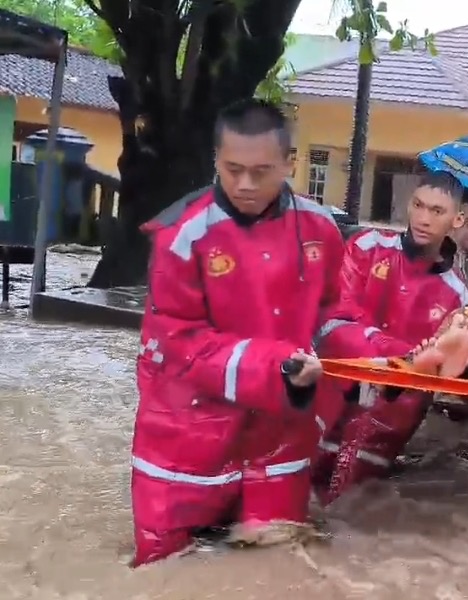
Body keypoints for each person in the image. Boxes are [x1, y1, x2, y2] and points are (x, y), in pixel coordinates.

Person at [131, 99, 344, 566]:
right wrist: (282, 369)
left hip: (280, 433)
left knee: (275, 565)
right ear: (215, 160)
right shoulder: (181, 234)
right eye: (232, 169)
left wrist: (394, 362)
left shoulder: (321, 229)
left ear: (291, 162)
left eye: (262, 170)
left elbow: (337, 317)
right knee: (165, 568)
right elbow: (180, 344)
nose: (245, 184)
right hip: (187, 430)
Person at [311, 170, 468, 503]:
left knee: (348, 507)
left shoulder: (458, 297)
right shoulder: (366, 246)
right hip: (334, 392)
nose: (423, 218)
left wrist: (412, 364)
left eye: (436, 211)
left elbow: (443, 369)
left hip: (388, 418)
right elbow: (335, 319)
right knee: (297, 487)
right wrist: (402, 355)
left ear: (457, 220)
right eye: (418, 205)